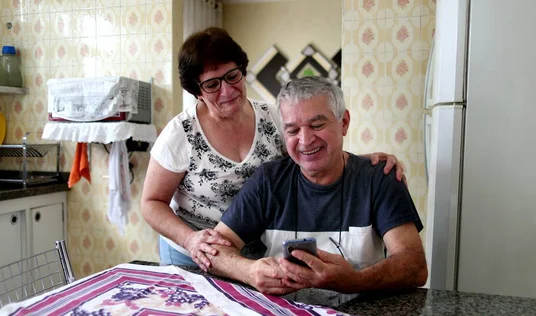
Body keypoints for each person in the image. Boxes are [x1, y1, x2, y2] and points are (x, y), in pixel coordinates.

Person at [141, 27, 407, 271]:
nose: (227, 90)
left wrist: (366, 162)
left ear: (242, 71)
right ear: (197, 91)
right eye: (212, 84)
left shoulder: (273, 118)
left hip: (254, 247)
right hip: (193, 250)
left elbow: (306, 151)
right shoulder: (181, 133)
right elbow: (151, 202)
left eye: (232, 76)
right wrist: (190, 239)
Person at [207, 76, 427, 295]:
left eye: (317, 125)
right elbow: (215, 248)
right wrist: (249, 271)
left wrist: (356, 281)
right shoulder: (268, 180)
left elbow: (415, 265)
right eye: (293, 130)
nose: (305, 140)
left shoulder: (379, 177)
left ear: (344, 123)